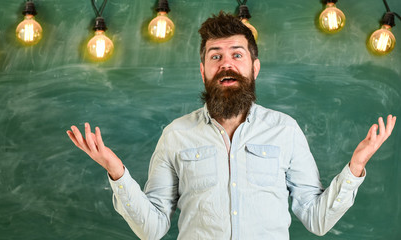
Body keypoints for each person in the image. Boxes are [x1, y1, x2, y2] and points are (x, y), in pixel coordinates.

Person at [67, 12, 397, 240]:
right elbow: (152, 229)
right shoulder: (176, 135)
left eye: (237, 55)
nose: (226, 62)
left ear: (254, 67)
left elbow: (317, 219)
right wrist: (117, 173)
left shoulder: (285, 130)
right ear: (203, 71)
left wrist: (354, 169)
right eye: (215, 56)